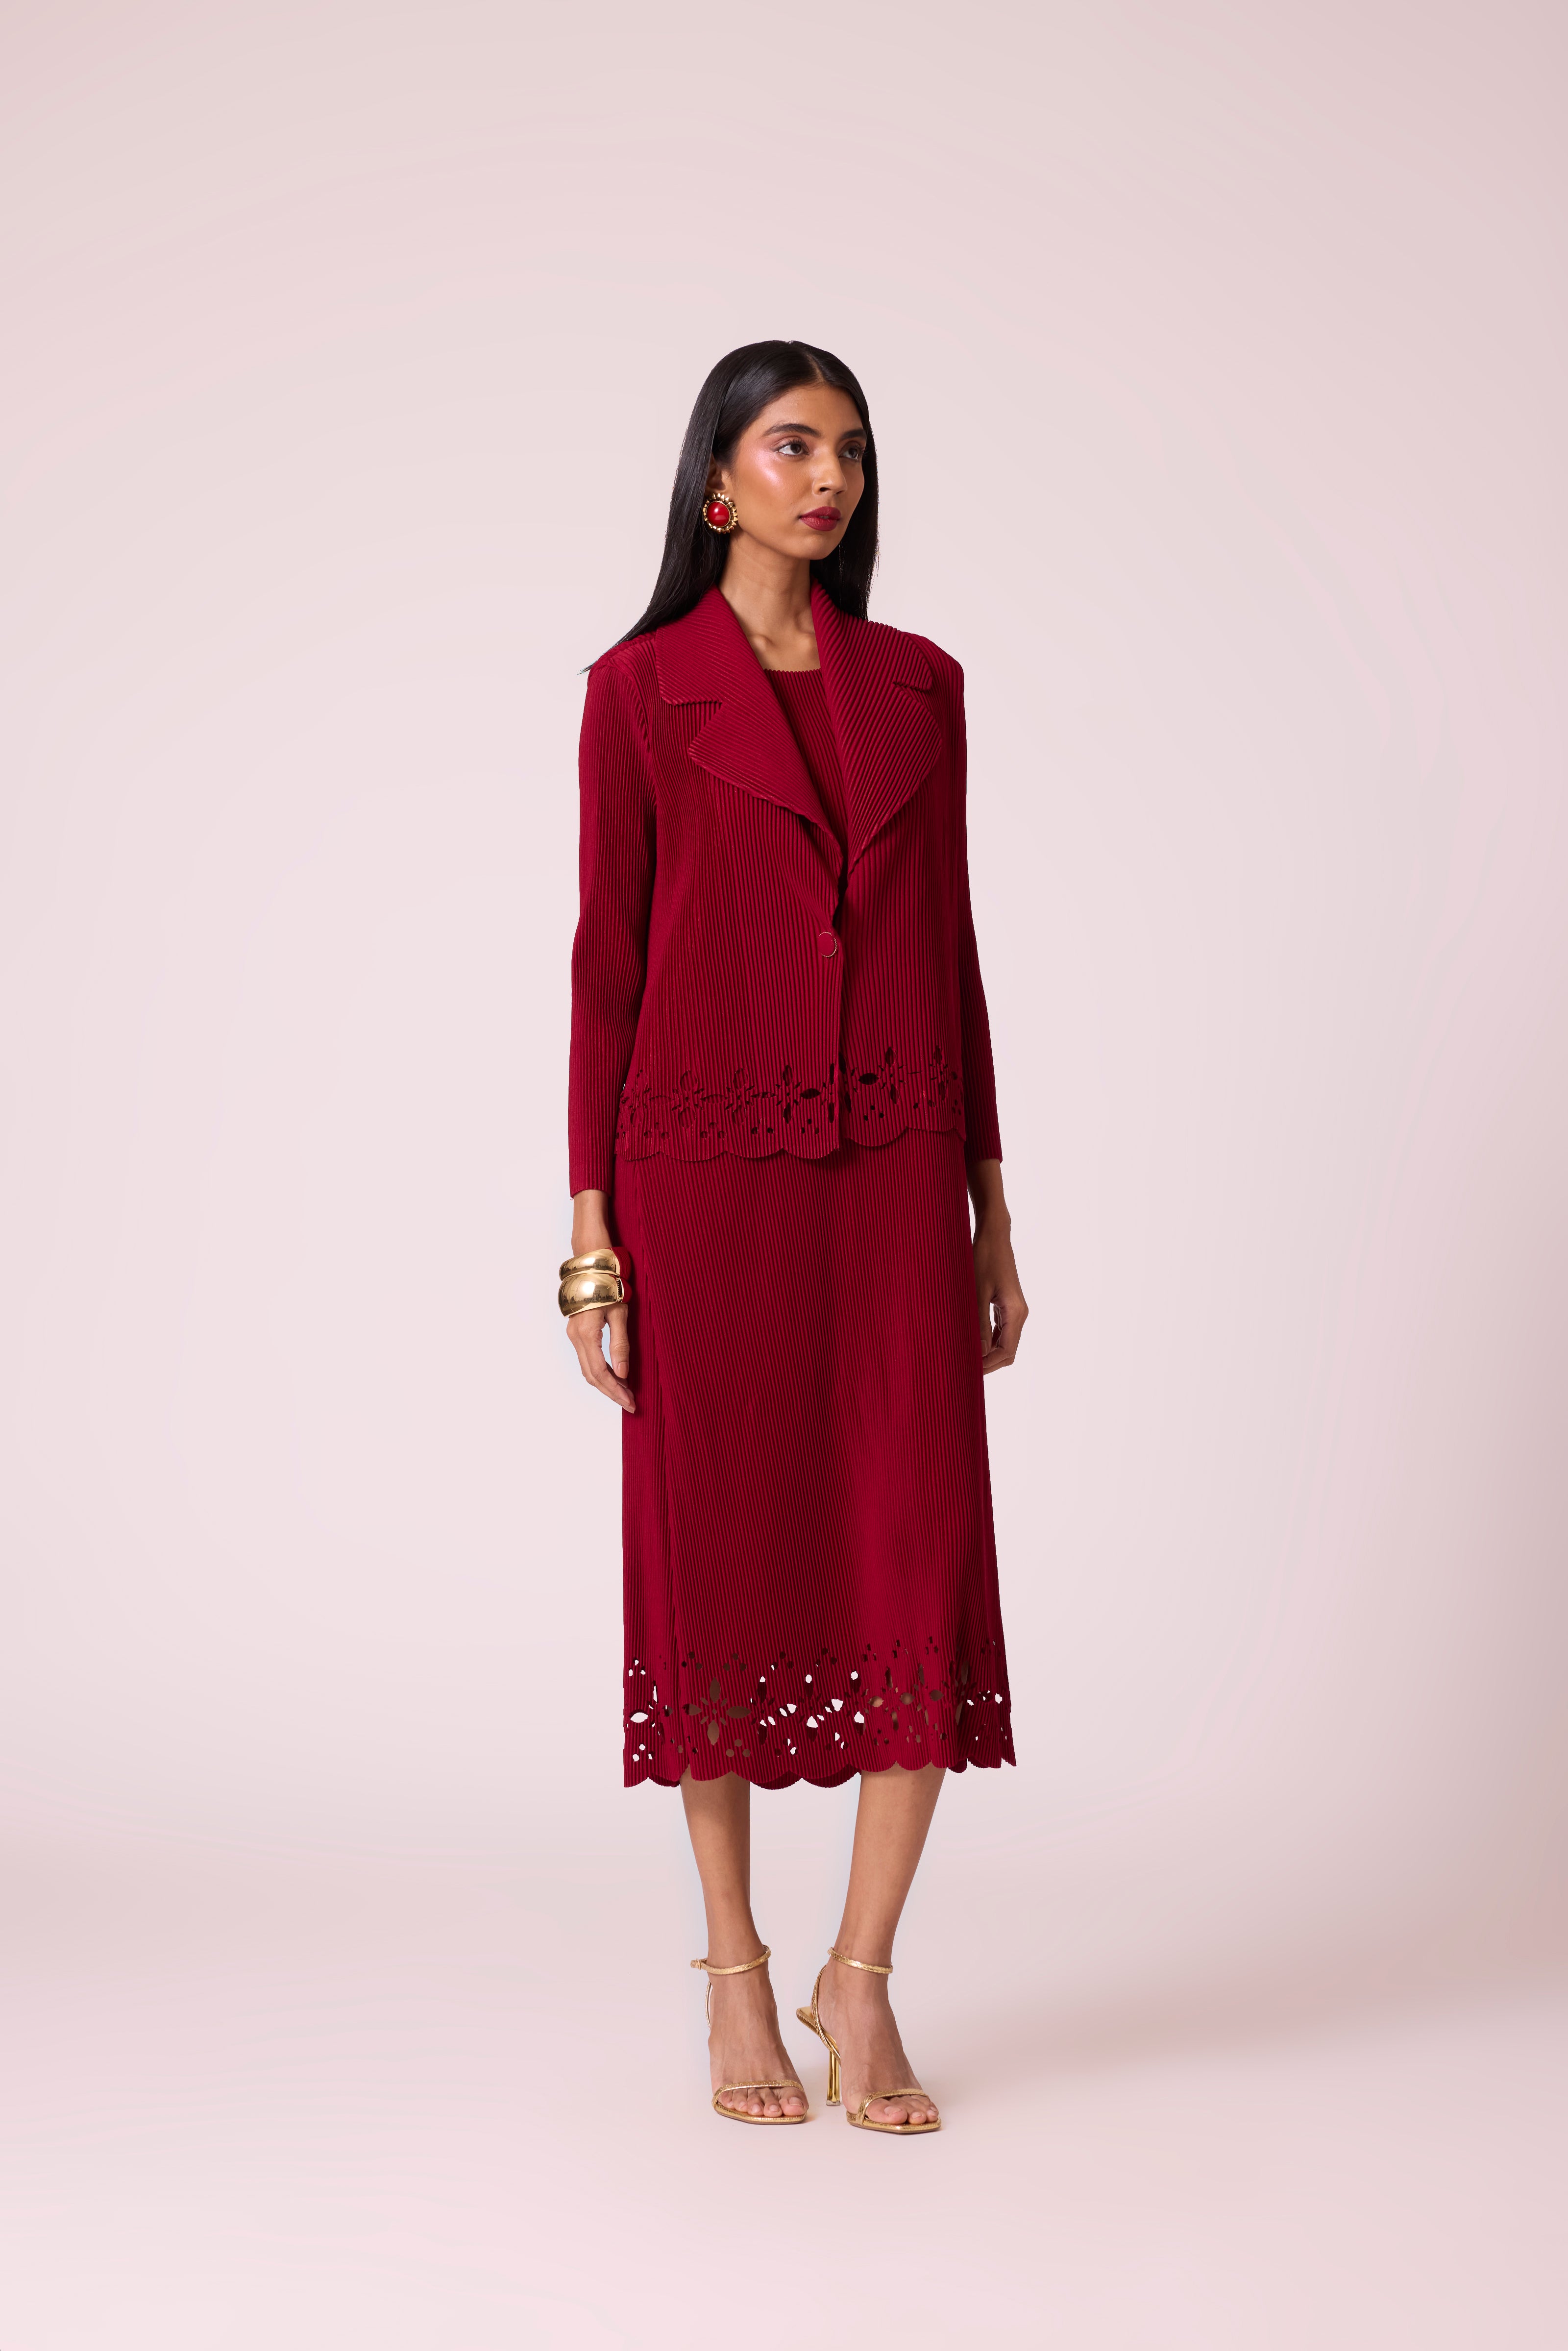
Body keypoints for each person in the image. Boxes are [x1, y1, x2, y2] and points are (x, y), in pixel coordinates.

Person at [562, 341, 1026, 2132]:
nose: (829, 477)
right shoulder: (640, 692)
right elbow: (607, 966)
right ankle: (738, 1976)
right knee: (723, 1564)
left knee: (919, 1552)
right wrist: (592, 1245)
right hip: (704, 1180)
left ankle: (862, 1978)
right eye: (792, 446)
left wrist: (992, 1207)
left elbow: (951, 945)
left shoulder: (923, 686)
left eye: (850, 450)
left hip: (895, 1171)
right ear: (718, 482)